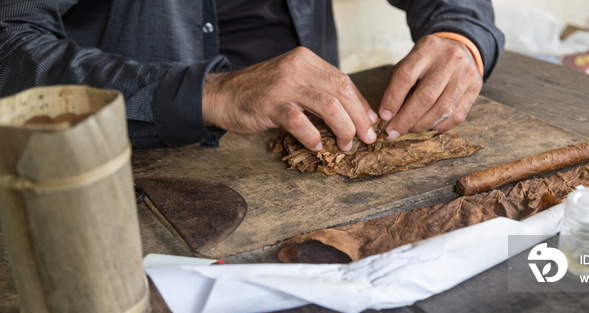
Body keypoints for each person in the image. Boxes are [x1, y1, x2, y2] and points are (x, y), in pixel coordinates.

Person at [0, 0, 504, 151]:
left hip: (324, 142)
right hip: (127, 164)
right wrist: (210, 94)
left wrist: (462, 37)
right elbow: (9, 40)